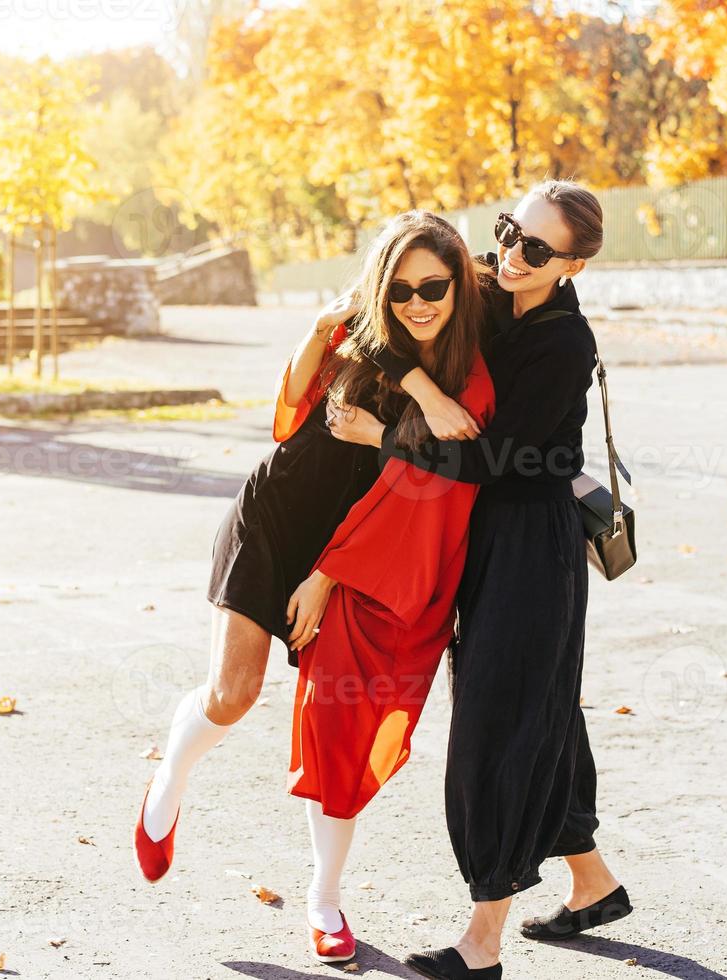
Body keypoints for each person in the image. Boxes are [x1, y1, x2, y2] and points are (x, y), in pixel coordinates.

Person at [134, 211, 494, 964]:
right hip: (274, 520)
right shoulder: (357, 334)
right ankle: (169, 777)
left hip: (350, 553)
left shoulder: (469, 371)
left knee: (342, 730)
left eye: (434, 286)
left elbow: (429, 485)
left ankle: (323, 900)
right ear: (379, 289)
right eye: (399, 290)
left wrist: (329, 574)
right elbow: (291, 412)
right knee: (232, 694)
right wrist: (319, 332)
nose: (418, 302)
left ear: (459, 284)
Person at [328, 181, 632, 980]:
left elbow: (505, 460)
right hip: (483, 538)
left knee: (497, 726)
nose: (512, 253)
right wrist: (423, 393)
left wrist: (387, 436)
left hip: (533, 547)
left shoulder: (563, 344)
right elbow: (373, 318)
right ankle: (594, 884)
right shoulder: (488, 292)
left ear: (575, 264)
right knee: (544, 714)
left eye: (535, 248)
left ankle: (483, 942)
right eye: (508, 232)